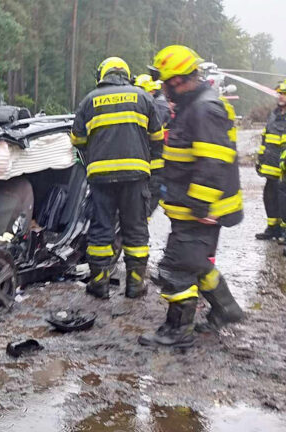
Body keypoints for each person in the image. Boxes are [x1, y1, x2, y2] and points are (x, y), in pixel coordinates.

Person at [139, 45, 244, 348]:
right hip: (191, 206)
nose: (162, 88)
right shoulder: (192, 105)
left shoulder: (203, 108)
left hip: (200, 209)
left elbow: (213, 161)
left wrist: (199, 204)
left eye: (165, 81)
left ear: (179, 79)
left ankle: (177, 330)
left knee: (176, 268)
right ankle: (226, 309)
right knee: (197, 263)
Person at [71, 57, 164, 299]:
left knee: (101, 230)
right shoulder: (143, 98)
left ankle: (99, 284)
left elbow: (77, 141)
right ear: (126, 74)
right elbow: (157, 139)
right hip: (135, 178)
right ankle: (135, 285)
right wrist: (155, 178)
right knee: (135, 230)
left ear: (102, 75)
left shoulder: (89, 100)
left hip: (101, 179)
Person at [134, 74, 172, 214]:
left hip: (157, 164)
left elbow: (151, 132)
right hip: (151, 163)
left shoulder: (159, 106)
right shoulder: (155, 103)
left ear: (152, 91)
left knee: (147, 204)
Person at [256, 80, 286, 240]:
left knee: (283, 198)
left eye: (284, 94)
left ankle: (283, 231)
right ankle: (272, 228)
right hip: (270, 164)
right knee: (269, 196)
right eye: (280, 93)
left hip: (283, 166)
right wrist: (260, 159)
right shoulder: (274, 114)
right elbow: (265, 137)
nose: (280, 96)